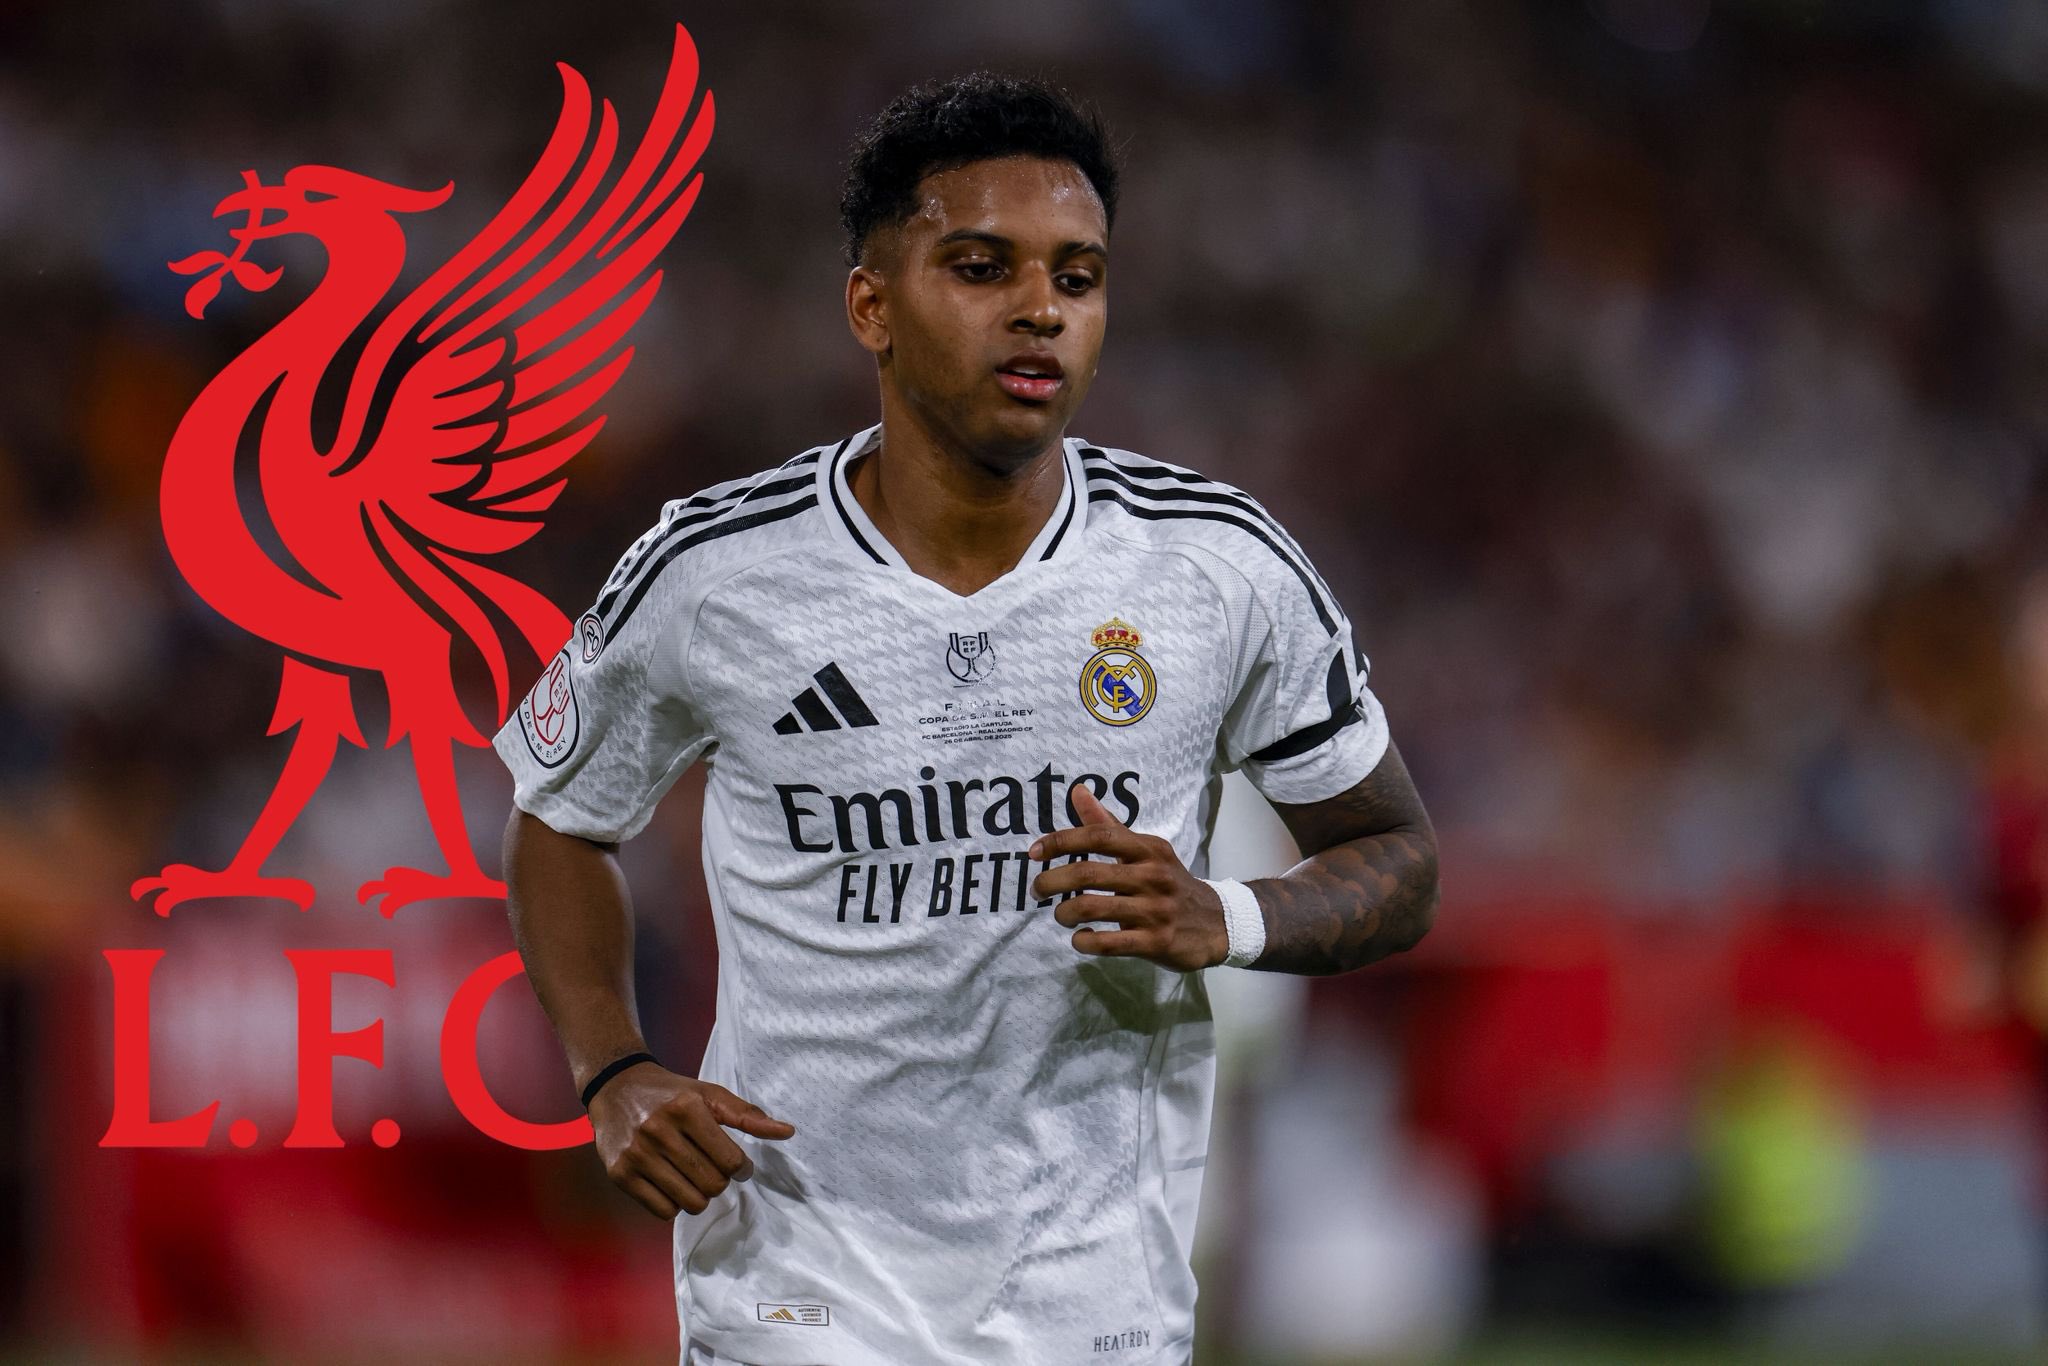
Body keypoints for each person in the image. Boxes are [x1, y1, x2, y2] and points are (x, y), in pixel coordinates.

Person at [494, 71, 1440, 1366]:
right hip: (796, 1295)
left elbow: (1398, 855)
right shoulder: (713, 574)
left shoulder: (1217, 566)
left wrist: (1227, 915)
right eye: (983, 268)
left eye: (1078, 276)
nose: (1041, 308)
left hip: (1096, 1309)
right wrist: (612, 1069)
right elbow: (560, 819)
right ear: (871, 307)